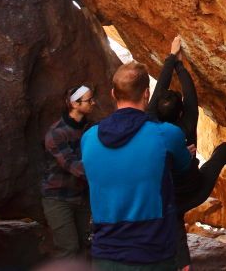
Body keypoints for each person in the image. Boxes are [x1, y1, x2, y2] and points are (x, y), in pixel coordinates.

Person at [147, 35, 226, 270]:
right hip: (195, 190)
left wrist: (170, 59)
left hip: (164, 196)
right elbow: (190, 92)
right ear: (179, 112)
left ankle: (181, 264)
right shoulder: (186, 124)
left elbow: (159, 92)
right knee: (224, 151)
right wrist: (177, 62)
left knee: (173, 215)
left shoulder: (150, 122)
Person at [81, 61, 193, 271]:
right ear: (146, 94)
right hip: (153, 252)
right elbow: (184, 169)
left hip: (105, 253)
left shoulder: (88, 138)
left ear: (113, 93)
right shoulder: (167, 135)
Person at [41, 85, 96, 259]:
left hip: (81, 197)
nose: (93, 103)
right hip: (58, 198)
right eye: (89, 100)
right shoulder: (56, 133)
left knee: (84, 247)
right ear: (75, 104)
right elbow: (73, 165)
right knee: (68, 248)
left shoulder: (89, 128)